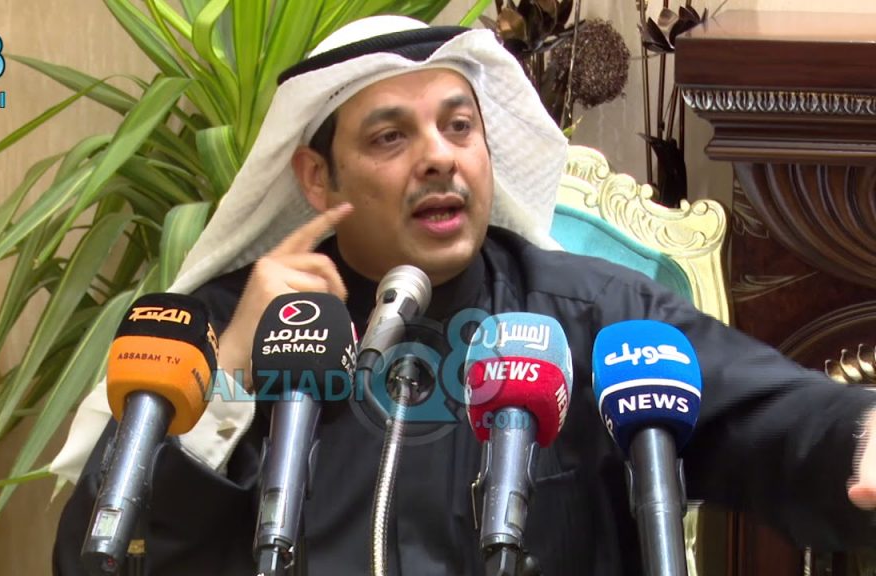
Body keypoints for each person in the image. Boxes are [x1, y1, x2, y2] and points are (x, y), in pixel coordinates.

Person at [50, 15, 876, 576]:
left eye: (459, 127)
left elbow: (779, 424)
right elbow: (95, 550)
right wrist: (230, 372)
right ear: (316, 177)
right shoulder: (232, 326)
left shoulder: (599, 318)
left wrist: (864, 438)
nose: (440, 157)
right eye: (390, 136)